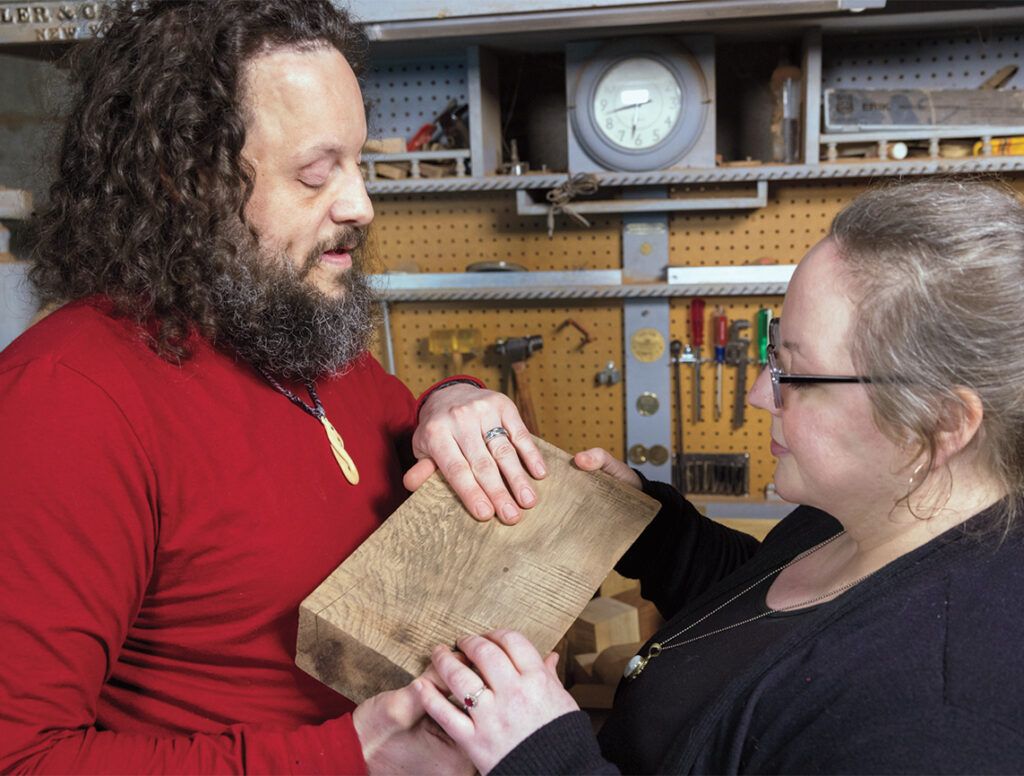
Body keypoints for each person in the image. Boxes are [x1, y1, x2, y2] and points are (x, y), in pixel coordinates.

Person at [0, 1, 546, 772]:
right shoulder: (65, 403)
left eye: (361, 166)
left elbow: (387, 428)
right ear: (187, 181)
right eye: (316, 174)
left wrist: (450, 402)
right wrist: (357, 756)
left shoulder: (291, 335)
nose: (359, 206)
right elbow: (20, 758)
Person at [416, 179, 1024, 774]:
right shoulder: (866, 511)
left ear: (941, 422)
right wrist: (654, 530)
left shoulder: (943, 720)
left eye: (795, 375)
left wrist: (543, 754)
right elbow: (762, 612)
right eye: (771, 357)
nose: (761, 394)